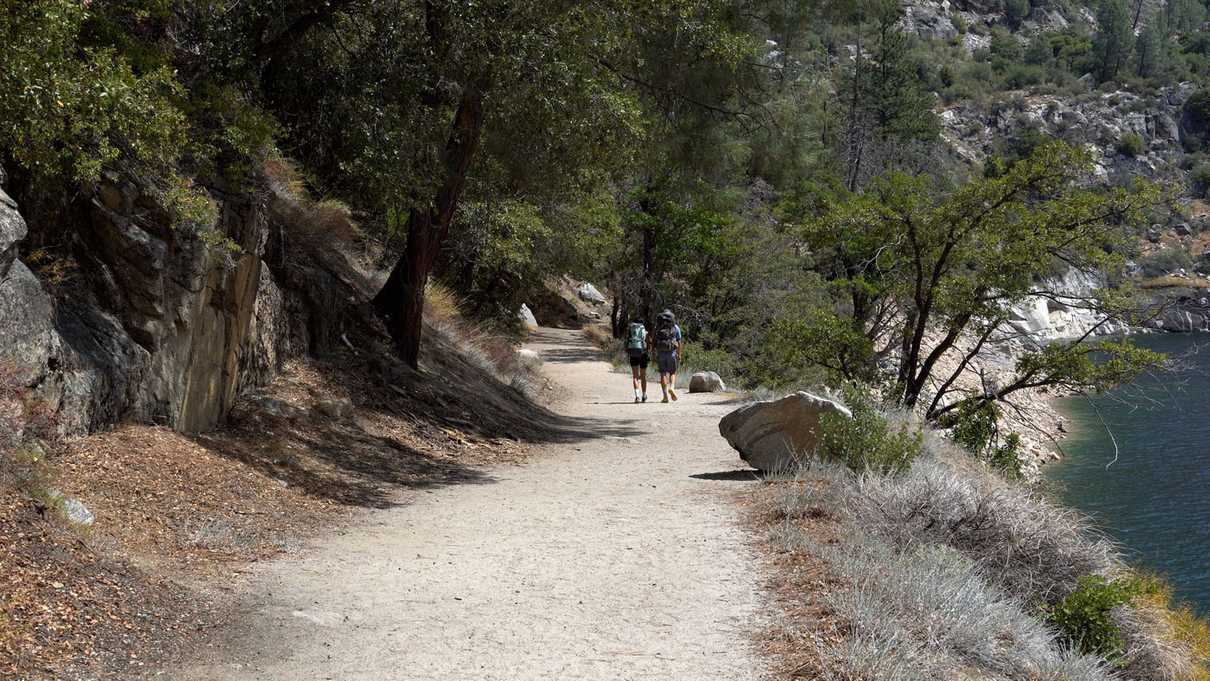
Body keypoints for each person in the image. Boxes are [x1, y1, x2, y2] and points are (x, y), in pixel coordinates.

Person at [652, 309, 683, 403]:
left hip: (660, 352)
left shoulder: (657, 327)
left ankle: (665, 396)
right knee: (672, 372)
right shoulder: (675, 327)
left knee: (663, 373)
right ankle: (672, 387)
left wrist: (653, 354)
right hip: (672, 352)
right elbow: (679, 341)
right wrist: (679, 354)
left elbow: (654, 341)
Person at [625, 317, 649, 403]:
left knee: (635, 376)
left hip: (633, 351)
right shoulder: (644, 330)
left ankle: (637, 396)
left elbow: (627, 341)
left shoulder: (631, 329)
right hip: (643, 353)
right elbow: (647, 343)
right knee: (643, 376)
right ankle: (644, 395)